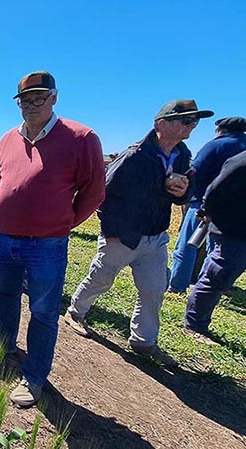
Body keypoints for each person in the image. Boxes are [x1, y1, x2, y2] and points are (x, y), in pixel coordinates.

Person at [0, 70, 106, 408]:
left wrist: (63, 223)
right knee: (5, 296)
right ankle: (6, 343)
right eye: (24, 100)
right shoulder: (7, 139)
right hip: (5, 239)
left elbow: (94, 191)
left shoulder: (80, 137)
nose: (30, 105)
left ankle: (33, 376)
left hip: (47, 244)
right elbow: (0, 179)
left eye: (38, 98)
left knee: (43, 311)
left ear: (54, 98)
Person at [64, 99, 214, 367]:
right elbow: (103, 193)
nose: (192, 126)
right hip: (122, 235)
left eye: (195, 121)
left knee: (154, 289)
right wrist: (111, 232)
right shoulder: (134, 156)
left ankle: (143, 341)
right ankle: (75, 313)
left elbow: (187, 191)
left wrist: (183, 193)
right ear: (161, 124)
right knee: (101, 278)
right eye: (186, 121)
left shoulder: (181, 155)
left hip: (155, 236)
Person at [168, 117, 246, 293]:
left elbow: (194, 172)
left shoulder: (216, 145)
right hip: (237, 211)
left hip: (204, 204)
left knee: (187, 246)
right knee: (217, 251)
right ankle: (206, 286)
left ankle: (177, 285)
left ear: (221, 130)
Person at [184, 151, 246, 342]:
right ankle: (194, 324)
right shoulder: (242, 160)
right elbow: (216, 188)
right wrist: (207, 210)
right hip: (234, 230)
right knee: (218, 276)